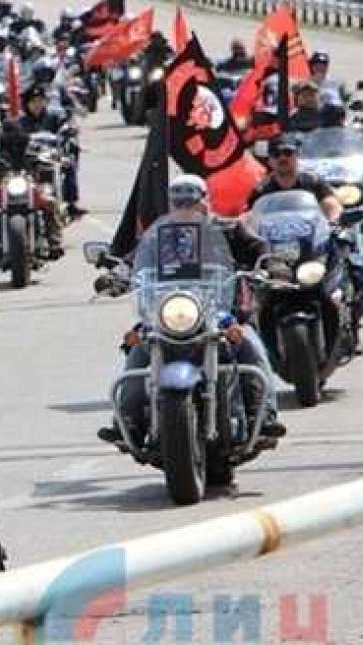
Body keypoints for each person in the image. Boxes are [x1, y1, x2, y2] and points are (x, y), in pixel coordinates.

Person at [98, 175, 286, 447]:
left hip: (218, 312)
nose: (185, 207)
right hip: (166, 313)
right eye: (178, 202)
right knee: (139, 346)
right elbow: (132, 262)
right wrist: (117, 276)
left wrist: (272, 264)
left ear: (205, 201)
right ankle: (128, 421)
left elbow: (259, 248)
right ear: (170, 205)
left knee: (249, 344)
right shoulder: (157, 237)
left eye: (191, 200)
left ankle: (264, 416)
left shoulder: (228, 229)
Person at [247, 134, 363, 331]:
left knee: (357, 268)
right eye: (277, 154)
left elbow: (332, 205)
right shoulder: (261, 190)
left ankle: (353, 319)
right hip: (278, 251)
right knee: (246, 279)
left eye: (288, 153)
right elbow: (251, 217)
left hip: (311, 245)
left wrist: (334, 221)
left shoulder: (312, 182)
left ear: (296, 156)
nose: (283, 158)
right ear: (270, 160)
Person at [0, 117, 64, 258]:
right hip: (5, 188)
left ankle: (54, 242)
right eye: (8, 133)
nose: (13, 138)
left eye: (16, 133)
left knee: (50, 202)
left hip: (29, 186)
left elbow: (47, 155)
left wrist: (51, 158)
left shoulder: (30, 149)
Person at [18, 85, 86, 221]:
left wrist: (69, 130)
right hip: (31, 159)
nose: (37, 105)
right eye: (33, 102)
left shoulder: (54, 115)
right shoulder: (20, 122)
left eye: (40, 101)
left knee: (69, 164)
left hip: (53, 155)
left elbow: (67, 126)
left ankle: (71, 203)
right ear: (27, 104)